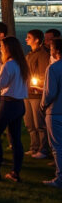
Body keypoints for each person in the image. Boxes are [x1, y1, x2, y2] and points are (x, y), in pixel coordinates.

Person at [0, 36, 28, 182]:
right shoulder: (22, 64)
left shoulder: (9, 65)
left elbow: (0, 84)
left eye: (1, 47)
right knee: (15, 138)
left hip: (7, 103)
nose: (0, 50)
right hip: (19, 104)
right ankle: (15, 171)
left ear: (7, 49)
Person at [24, 29, 51, 159]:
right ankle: (34, 147)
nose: (26, 39)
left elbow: (43, 74)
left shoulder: (42, 55)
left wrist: (35, 84)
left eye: (29, 37)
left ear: (36, 40)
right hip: (27, 93)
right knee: (29, 122)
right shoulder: (29, 54)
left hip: (36, 95)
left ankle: (43, 149)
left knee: (39, 123)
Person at [41, 37, 62, 188]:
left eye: (52, 49)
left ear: (57, 51)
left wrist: (43, 105)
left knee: (57, 146)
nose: (50, 51)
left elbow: (50, 92)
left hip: (55, 112)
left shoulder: (53, 68)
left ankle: (60, 178)